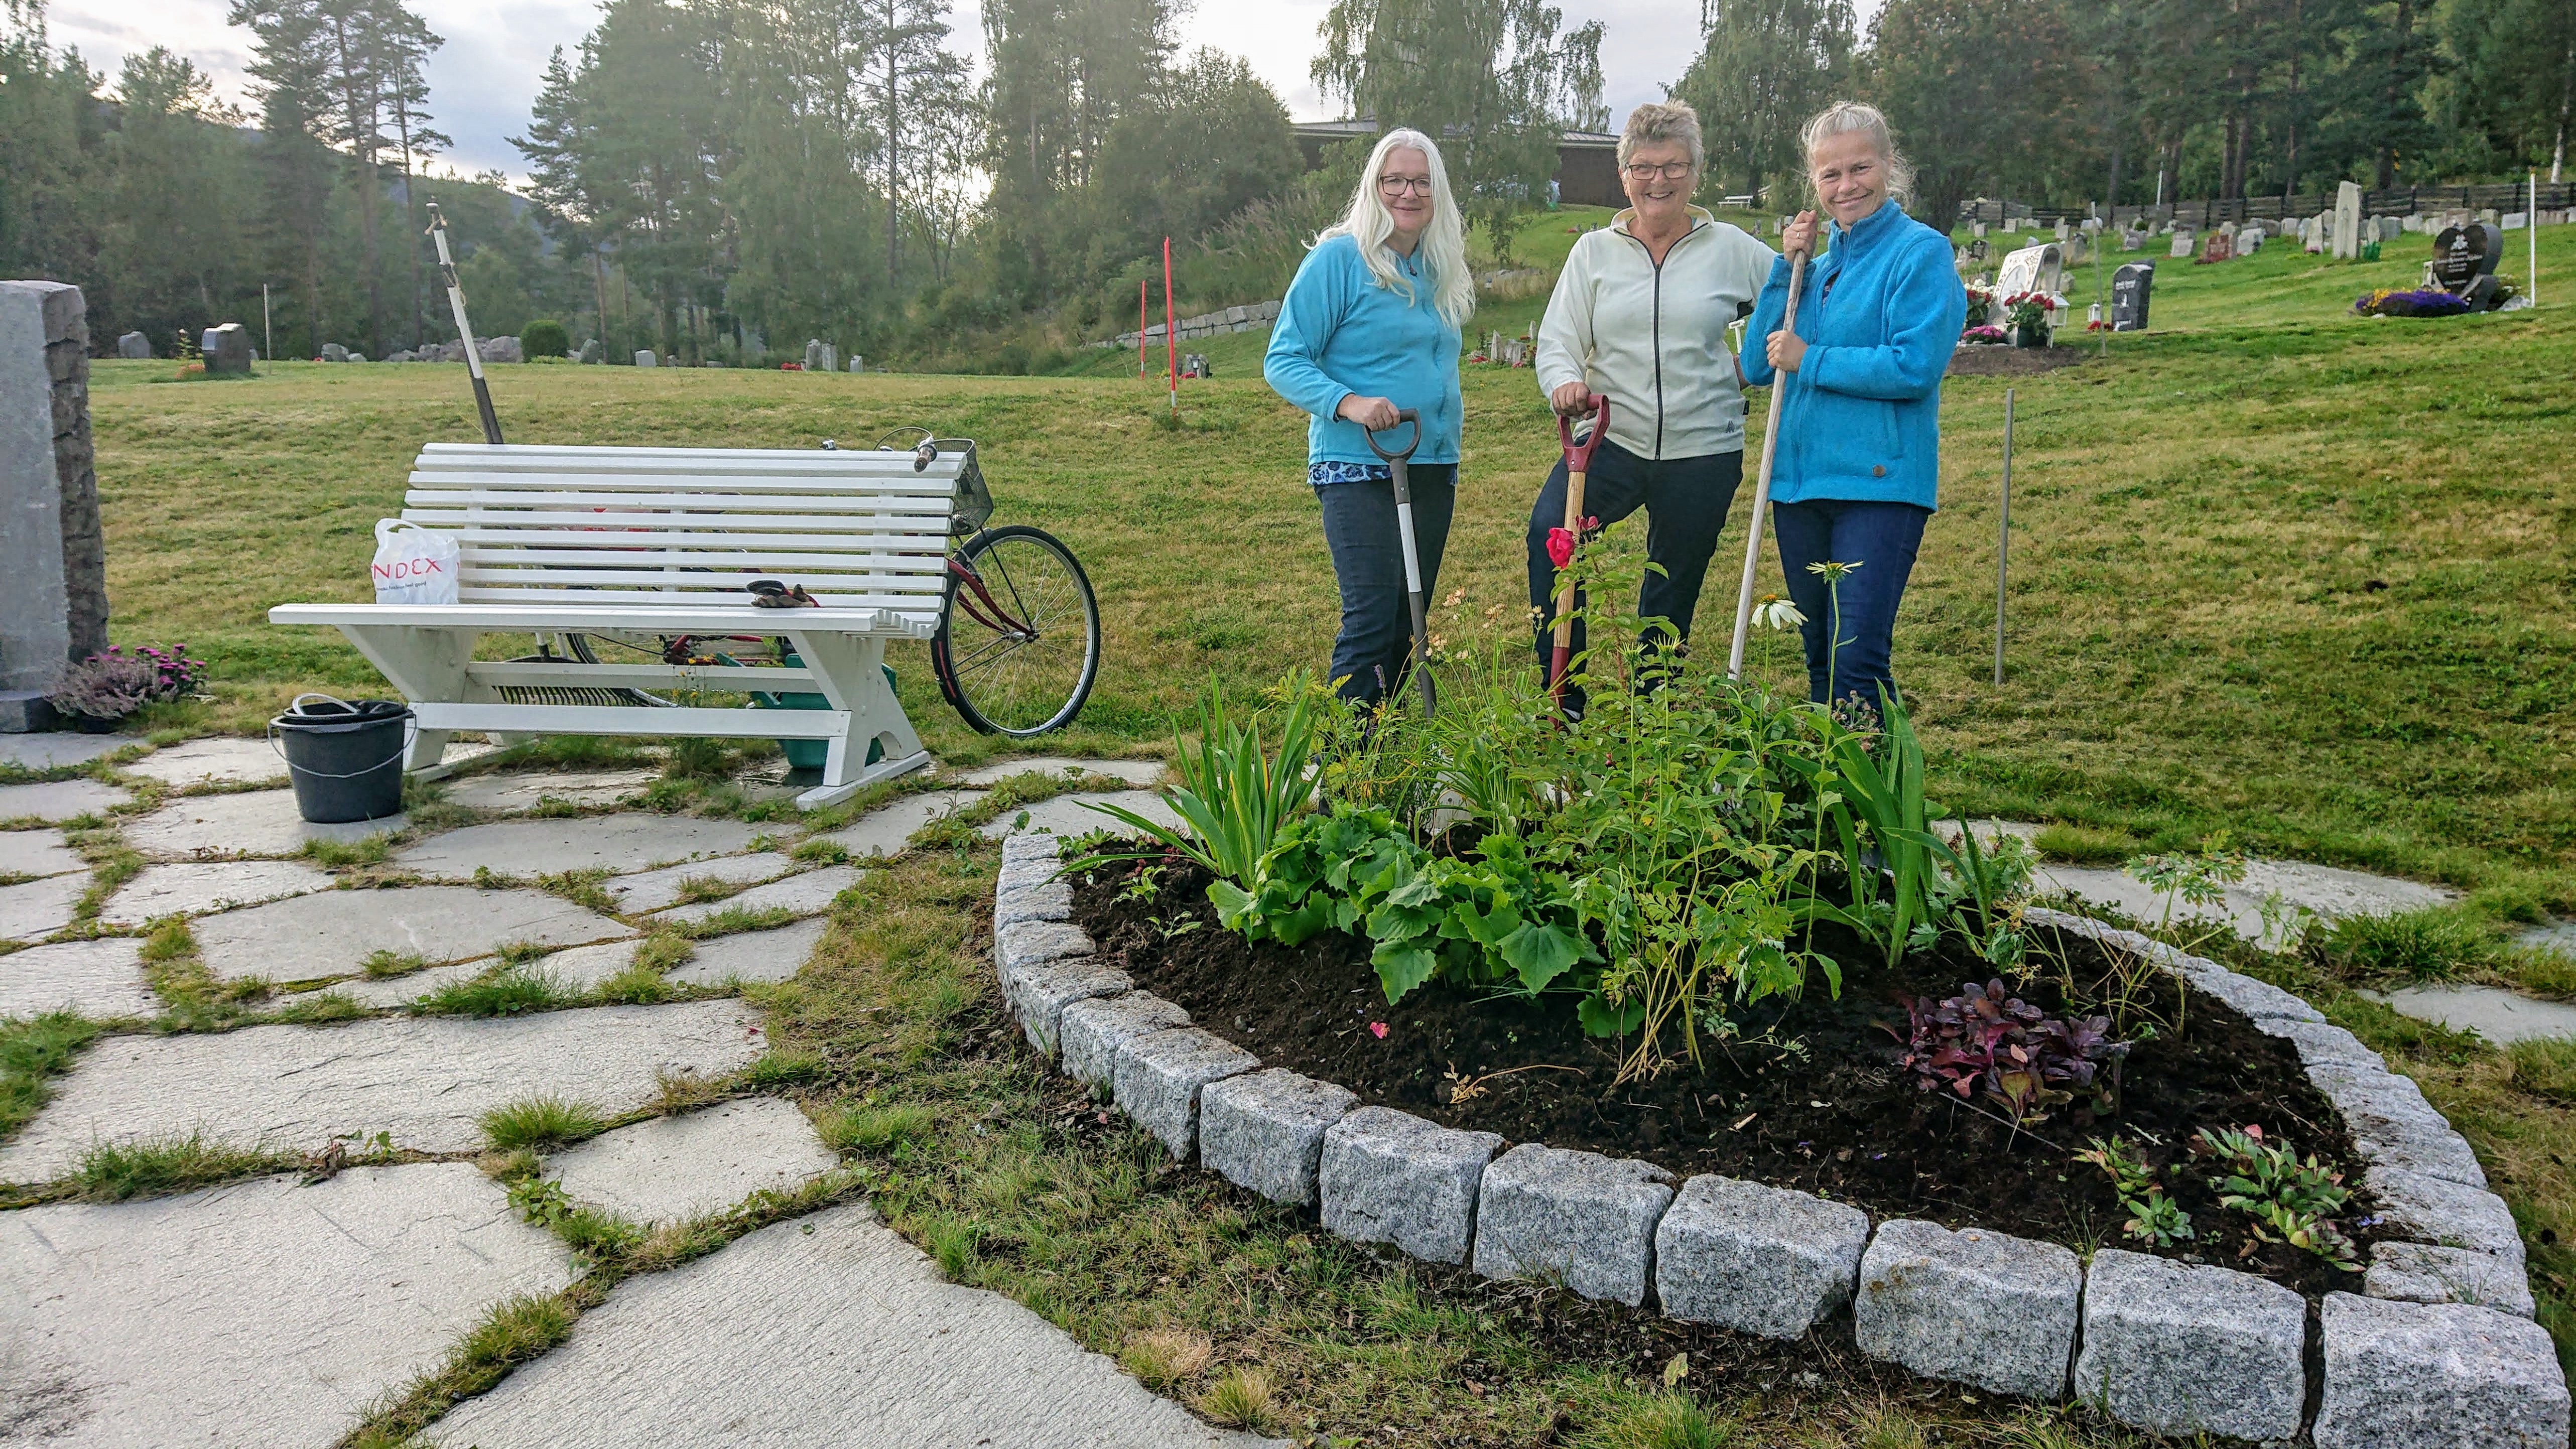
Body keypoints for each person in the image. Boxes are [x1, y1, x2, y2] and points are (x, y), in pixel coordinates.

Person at [1528, 101, 1778, 712]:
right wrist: (1563, 381)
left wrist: (1750, 366)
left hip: (1703, 447)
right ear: (1624, 177)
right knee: (1551, 536)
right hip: (1611, 440)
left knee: (1672, 582)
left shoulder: (1732, 248)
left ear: (1694, 173)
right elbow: (1558, 339)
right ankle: (1563, 701)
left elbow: (1792, 300)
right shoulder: (1593, 253)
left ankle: (1651, 716)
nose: (1657, 180)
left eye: (1673, 166)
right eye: (1642, 167)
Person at [1740, 101, 1966, 715]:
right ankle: (1831, 777)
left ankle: (1875, 777)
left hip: (1878, 487)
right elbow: (1757, 365)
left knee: (1856, 659)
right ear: (1814, 182)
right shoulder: (1813, 270)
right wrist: (1782, 270)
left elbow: (1913, 366)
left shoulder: (1919, 253)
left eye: (1859, 168)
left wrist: (1810, 359)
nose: (1846, 186)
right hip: (1799, 490)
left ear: (1889, 166)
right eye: (1830, 174)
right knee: (1820, 655)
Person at [1264, 128, 1473, 709]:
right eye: (1394, 180)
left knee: (1408, 625)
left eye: (1421, 182)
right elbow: (1282, 359)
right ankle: (1343, 761)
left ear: (1436, 192)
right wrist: (1349, 403)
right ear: (1374, 187)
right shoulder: (1339, 259)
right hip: (1356, 466)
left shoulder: (1437, 267)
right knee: (1371, 619)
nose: (1408, 193)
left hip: (1430, 464)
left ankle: (1385, 755)